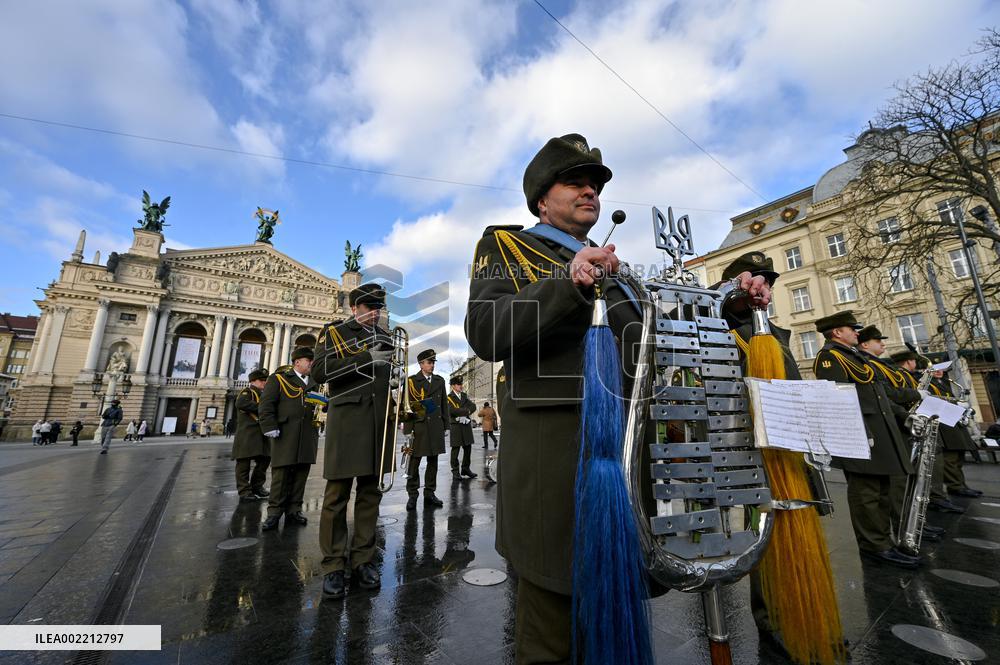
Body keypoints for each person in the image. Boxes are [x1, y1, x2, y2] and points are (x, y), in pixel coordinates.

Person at [465, 133, 773, 661]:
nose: (590, 192)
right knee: (552, 633)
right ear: (542, 198)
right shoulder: (507, 246)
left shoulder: (622, 272)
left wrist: (733, 306)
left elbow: (661, 343)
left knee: (616, 612)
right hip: (555, 460)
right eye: (575, 183)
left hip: (631, 460)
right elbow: (486, 330)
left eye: (595, 186)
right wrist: (568, 282)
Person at [812, 312, 917, 568]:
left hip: (878, 430)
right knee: (866, 493)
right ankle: (873, 545)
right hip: (860, 433)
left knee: (881, 490)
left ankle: (885, 541)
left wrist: (902, 416)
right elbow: (839, 399)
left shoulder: (855, 356)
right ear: (837, 332)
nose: (857, 333)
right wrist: (859, 433)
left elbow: (878, 393)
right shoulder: (830, 357)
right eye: (852, 329)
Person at [311, 283, 394, 599]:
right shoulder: (333, 333)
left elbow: (387, 376)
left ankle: (362, 559)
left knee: (371, 494)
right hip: (347, 423)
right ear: (354, 308)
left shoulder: (386, 338)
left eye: (378, 309)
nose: (375, 314)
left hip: (377, 423)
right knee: (336, 496)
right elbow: (320, 371)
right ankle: (333, 565)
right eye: (369, 308)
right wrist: (364, 358)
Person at [258, 347, 319, 531]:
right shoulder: (279, 379)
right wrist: (269, 426)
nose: (311, 364)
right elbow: (266, 404)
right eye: (308, 360)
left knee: (301, 474)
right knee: (281, 476)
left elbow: (320, 403)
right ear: (297, 362)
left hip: (307, 434)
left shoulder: (315, 382)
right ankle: (274, 513)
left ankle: (294, 510)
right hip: (284, 433)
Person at [403, 349, 449, 511]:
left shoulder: (440, 380)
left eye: (433, 362)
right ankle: (412, 495)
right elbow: (407, 407)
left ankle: (430, 493)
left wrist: (446, 425)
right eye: (429, 363)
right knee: (414, 462)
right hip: (419, 426)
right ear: (421, 364)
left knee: (433, 462)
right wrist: (408, 429)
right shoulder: (411, 381)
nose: (432, 365)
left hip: (435, 426)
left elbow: (444, 403)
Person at [232, 368, 271, 503]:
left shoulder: (264, 393)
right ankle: (244, 491)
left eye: (265, 380)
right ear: (253, 381)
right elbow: (241, 403)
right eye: (262, 380)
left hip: (261, 434)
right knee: (243, 464)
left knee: (265, 460)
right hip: (248, 434)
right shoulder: (247, 392)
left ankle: (257, 486)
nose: (264, 383)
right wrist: (263, 408)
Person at [447, 376, 477, 480]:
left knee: (468, 448)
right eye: (458, 384)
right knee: (456, 449)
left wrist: (467, 412)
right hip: (456, 426)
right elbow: (451, 411)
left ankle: (465, 469)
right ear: (453, 386)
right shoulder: (449, 397)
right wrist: (465, 411)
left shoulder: (464, 396)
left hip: (466, 425)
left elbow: (473, 406)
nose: (461, 386)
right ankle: (455, 471)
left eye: (461, 384)